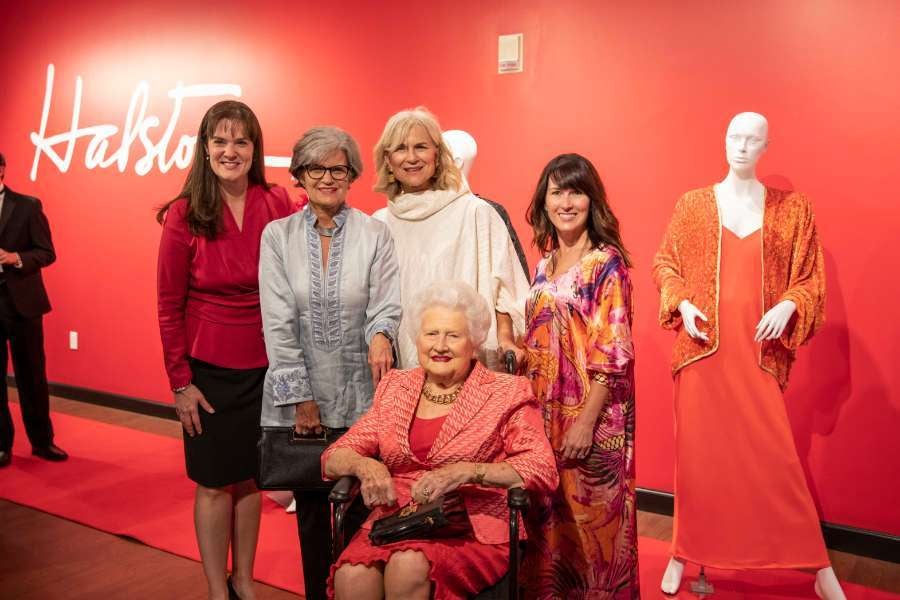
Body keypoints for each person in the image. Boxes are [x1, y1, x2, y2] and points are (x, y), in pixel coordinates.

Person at [651, 112, 844, 599]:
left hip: (757, 353)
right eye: (735, 136)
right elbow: (664, 264)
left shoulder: (793, 209)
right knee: (697, 463)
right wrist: (685, 302)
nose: (741, 146)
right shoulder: (693, 205)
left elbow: (810, 279)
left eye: (752, 139)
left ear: (766, 146)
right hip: (702, 355)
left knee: (775, 461)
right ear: (723, 140)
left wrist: (788, 303)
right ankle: (683, 552)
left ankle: (817, 567)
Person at [323, 280, 558, 600]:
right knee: (351, 578)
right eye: (431, 334)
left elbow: (541, 467)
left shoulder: (505, 392)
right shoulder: (395, 386)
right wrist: (365, 466)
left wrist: (467, 471)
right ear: (418, 339)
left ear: (473, 343)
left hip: (469, 522)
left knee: (407, 568)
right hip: (398, 519)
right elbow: (335, 456)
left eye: (453, 335)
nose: (440, 345)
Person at [156, 100, 294, 600]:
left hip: (267, 366)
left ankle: (245, 582)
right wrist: (180, 382)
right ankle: (218, 590)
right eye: (220, 140)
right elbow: (169, 305)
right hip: (208, 372)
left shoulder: (276, 201)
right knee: (215, 483)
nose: (230, 150)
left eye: (241, 141)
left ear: (255, 148)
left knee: (252, 480)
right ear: (205, 147)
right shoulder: (183, 213)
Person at [258, 126, 401, 600]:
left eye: (338, 168)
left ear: (352, 174)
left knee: (364, 514)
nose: (327, 177)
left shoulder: (375, 234)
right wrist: (300, 398)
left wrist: (381, 335)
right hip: (306, 403)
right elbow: (277, 322)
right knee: (315, 521)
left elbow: (386, 304)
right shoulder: (276, 237)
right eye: (316, 168)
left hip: (363, 395)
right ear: (300, 174)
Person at [519, 153, 639, 597]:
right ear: (543, 200)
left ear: (592, 200)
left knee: (594, 536)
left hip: (591, 419)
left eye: (577, 192)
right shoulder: (543, 264)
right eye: (557, 192)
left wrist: (585, 423)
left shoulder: (605, 263)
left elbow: (613, 353)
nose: (566, 202)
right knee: (550, 527)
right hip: (541, 415)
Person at [371, 107, 530, 371]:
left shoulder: (476, 212)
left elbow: (505, 289)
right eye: (400, 148)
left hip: (470, 364)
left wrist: (505, 338)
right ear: (388, 160)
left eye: (421, 147)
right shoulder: (379, 223)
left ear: (437, 154)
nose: (411, 157)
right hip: (405, 365)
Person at [0, 151, 66, 468]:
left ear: (1, 170)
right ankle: (2, 446)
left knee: (32, 376)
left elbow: (46, 252)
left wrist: (16, 258)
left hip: (22, 304)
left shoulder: (27, 206)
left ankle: (42, 442)